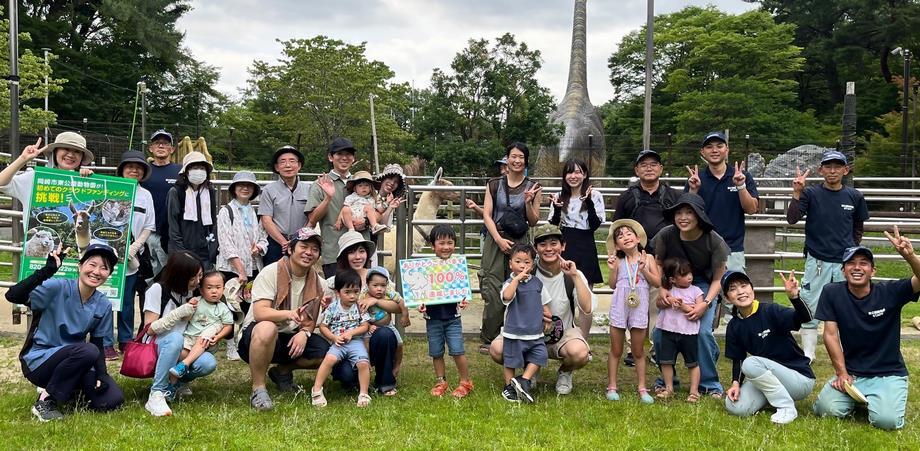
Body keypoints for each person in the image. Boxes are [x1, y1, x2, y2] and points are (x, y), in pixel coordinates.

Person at [813, 231, 920, 431]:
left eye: (863, 263)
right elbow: (830, 335)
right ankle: (862, 398)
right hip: (853, 374)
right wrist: (842, 373)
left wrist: (910, 256)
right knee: (826, 410)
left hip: (888, 374)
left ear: (873, 271)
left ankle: (880, 397)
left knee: (886, 422)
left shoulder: (890, 292)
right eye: (851, 263)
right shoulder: (832, 292)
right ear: (843, 270)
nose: (857, 267)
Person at [5, 242, 124, 421]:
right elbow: (13, 295)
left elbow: (98, 344)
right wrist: (46, 271)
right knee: (87, 350)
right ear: (80, 266)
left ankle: (67, 390)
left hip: (77, 360)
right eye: (92, 264)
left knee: (112, 400)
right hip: (40, 361)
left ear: (109, 274)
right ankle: (45, 401)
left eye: (104, 268)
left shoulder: (103, 304)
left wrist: (101, 375)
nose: (97, 271)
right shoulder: (57, 287)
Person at [489, 224, 595, 395]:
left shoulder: (572, 273)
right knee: (497, 349)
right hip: (525, 332)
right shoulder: (525, 271)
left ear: (563, 246)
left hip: (561, 333)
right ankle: (528, 372)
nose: (548, 249)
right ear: (536, 249)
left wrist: (575, 276)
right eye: (542, 244)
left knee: (580, 352)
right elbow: (508, 297)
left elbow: (587, 307)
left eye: (554, 243)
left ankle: (565, 372)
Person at [786, 150, 869, 361]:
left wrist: (852, 250)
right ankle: (808, 353)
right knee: (809, 305)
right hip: (817, 260)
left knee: (847, 306)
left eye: (837, 167)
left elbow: (858, 226)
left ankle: (848, 352)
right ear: (820, 170)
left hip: (844, 263)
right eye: (828, 167)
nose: (833, 171)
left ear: (845, 170)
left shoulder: (855, 196)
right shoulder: (811, 194)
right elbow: (792, 219)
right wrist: (796, 192)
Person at [236, 228, 328, 411]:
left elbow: (313, 320)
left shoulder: (319, 283)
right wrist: (289, 314)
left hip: (289, 336)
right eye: (304, 247)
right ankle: (258, 389)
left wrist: (305, 333)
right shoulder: (271, 272)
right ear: (290, 249)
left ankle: (281, 372)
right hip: (255, 337)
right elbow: (260, 313)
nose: (309, 252)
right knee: (267, 328)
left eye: (314, 249)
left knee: (325, 353)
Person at [652, 193, 729, 397]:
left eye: (689, 213)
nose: (683, 217)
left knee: (702, 333)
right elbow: (657, 264)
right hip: (672, 284)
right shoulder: (666, 234)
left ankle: (710, 384)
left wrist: (705, 303)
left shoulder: (714, 240)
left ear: (699, 216)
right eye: (679, 213)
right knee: (659, 333)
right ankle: (667, 381)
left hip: (704, 286)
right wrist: (662, 288)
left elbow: (718, 279)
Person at [723, 270, 815, 424]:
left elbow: (806, 318)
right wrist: (735, 383)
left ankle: (786, 407)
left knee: (750, 364)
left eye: (744, 286)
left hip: (798, 379)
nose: (740, 291)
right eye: (733, 289)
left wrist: (795, 297)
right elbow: (738, 358)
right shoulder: (734, 325)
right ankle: (772, 397)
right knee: (734, 405)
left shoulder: (770, 310)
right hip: (768, 376)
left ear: (752, 289)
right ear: (727, 298)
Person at [480, 142, 542, 353]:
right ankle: (490, 337)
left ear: (526, 161)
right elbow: (487, 214)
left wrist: (528, 202)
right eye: (513, 156)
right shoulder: (493, 184)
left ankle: (520, 334)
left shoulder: (534, 186)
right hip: (495, 239)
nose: (517, 161)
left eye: (521, 157)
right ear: (507, 159)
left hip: (520, 242)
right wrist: (498, 239)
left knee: (521, 285)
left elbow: (533, 221)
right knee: (492, 285)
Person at [326, 231, 401, 395]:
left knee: (386, 334)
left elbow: (397, 307)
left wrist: (376, 301)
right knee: (348, 377)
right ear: (344, 256)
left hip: (374, 334)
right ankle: (350, 375)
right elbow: (327, 315)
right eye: (351, 252)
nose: (357, 257)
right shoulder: (333, 282)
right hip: (346, 340)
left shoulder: (377, 276)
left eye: (361, 251)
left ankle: (385, 382)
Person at [142, 251, 214, 417]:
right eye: (192, 278)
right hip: (158, 344)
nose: (198, 282)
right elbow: (150, 329)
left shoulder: (190, 292)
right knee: (175, 338)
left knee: (208, 362)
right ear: (179, 276)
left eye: (200, 276)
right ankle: (157, 393)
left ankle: (176, 384)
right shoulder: (157, 289)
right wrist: (180, 312)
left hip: (184, 345)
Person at [604, 219, 659, 403]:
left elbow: (657, 282)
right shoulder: (619, 261)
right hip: (620, 306)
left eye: (629, 234)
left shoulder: (648, 258)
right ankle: (612, 386)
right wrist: (612, 270)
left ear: (638, 239)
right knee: (616, 349)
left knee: (638, 350)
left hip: (639, 307)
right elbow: (612, 285)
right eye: (620, 236)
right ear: (617, 245)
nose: (625, 237)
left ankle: (642, 387)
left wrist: (644, 270)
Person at [421, 225, 474, 398]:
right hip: (432, 318)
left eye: (450, 243)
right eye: (441, 243)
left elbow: (462, 292)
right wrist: (420, 304)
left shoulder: (457, 267)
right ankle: (440, 381)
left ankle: (465, 381)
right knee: (436, 352)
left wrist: (463, 300)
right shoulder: (426, 268)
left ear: (455, 245)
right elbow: (420, 292)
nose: (446, 247)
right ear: (433, 246)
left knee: (457, 350)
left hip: (453, 318)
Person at [114, 150, 156, 358]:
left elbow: (149, 225)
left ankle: (125, 339)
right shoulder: (110, 187)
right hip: (108, 253)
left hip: (132, 256)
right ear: (122, 169)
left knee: (127, 300)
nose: (134, 170)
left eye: (139, 167)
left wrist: (135, 246)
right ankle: (103, 340)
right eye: (130, 166)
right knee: (104, 298)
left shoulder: (145, 195)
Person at [311, 269, 373, 408]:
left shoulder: (359, 307)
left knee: (363, 363)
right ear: (338, 293)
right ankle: (316, 390)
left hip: (356, 342)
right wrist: (333, 337)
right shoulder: (332, 308)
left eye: (356, 292)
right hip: (338, 343)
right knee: (329, 360)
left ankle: (364, 393)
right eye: (347, 292)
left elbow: (365, 326)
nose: (352, 296)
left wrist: (352, 333)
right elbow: (323, 326)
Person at [0, 132, 94, 220]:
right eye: (66, 149)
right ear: (55, 151)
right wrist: (23, 159)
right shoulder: (34, 178)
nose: (71, 154)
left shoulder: (84, 183)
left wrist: (90, 179)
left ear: (81, 157)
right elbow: (1, 183)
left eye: (77, 151)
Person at [499, 243, 551, 404]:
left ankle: (523, 380)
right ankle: (509, 387)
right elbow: (507, 297)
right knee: (511, 361)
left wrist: (547, 315)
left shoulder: (537, 283)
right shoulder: (509, 283)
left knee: (540, 355)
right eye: (518, 261)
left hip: (535, 332)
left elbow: (544, 302)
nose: (522, 265)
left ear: (532, 265)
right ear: (510, 264)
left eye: (527, 262)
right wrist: (516, 280)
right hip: (514, 332)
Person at [306, 137, 364, 278]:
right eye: (339, 154)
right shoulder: (320, 184)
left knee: (362, 291)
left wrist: (366, 221)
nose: (344, 158)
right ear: (330, 157)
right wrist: (328, 198)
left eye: (348, 154)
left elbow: (375, 211)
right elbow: (312, 219)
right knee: (335, 291)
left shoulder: (362, 182)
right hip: (334, 253)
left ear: (353, 158)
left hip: (361, 253)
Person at [166, 271, 234, 385]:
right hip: (189, 339)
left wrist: (218, 337)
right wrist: (189, 307)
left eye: (218, 287)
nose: (214, 291)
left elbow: (228, 326)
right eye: (209, 288)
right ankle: (173, 384)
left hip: (207, 342)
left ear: (223, 289)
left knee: (208, 334)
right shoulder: (197, 301)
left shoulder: (223, 308)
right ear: (201, 290)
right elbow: (185, 319)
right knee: (180, 355)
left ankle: (185, 364)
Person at [655, 257, 704, 403]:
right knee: (666, 361)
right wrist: (668, 301)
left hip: (689, 333)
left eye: (690, 273)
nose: (689, 277)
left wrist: (683, 306)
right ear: (672, 279)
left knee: (692, 363)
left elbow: (698, 311)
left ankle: (694, 391)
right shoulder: (668, 290)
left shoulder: (696, 291)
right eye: (684, 274)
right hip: (668, 331)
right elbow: (658, 304)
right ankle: (669, 388)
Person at [548, 158, 605, 286]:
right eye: (569, 172)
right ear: (564, 176)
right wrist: (557, 209)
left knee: (586, 288)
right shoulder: (558, 196)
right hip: (565, 244)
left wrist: (588, 202)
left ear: (584, 175)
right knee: (564, 287)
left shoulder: (595, 195)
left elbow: (594, 225)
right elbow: (553, 226)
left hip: (586, 245)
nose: (573, 176)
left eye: (578, 172)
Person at [258, 146, 309, 266]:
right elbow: (266, 220)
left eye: (292, 161)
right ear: (277, 167)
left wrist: (300, 239)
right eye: (282, 162)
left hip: (302, 242)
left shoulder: (309, 189)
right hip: (275, 243)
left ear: (299, 165)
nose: (288, 165)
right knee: (274, 274)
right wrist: (284, 242)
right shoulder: (269, 190)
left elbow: (312, 218)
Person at [166, 152, 217, 269]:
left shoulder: (209, 191)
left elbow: (213, 220)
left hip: (204, 250)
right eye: (194, 167)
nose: (199, 171)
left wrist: (212, 246)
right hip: (182, 249)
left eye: (202, 168)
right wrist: (181, 251)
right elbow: (173, 225)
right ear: (186, 171)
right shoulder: (176, 192)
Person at [141, 129, 180, 279]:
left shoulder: (180, 171)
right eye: (157, 143)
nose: (161, 146)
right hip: (146, 231)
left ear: (172, 149)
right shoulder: (143, 171)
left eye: (165, 143)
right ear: (151, 148)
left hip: (172, 233)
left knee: (171, 272)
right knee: (150, 274)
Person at [361, 266, 410, 379]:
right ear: (368, 284)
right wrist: (368, 325)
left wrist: (405, 316)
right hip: (369, 326)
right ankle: (367, 362)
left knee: (399, 344)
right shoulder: (363, 295)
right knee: (365, 343)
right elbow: (359, 310)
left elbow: (401, 302)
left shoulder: (389, 293)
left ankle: (397, 365)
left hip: (387, 326)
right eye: (375, 285)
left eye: (383, 285)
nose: (379, 289)